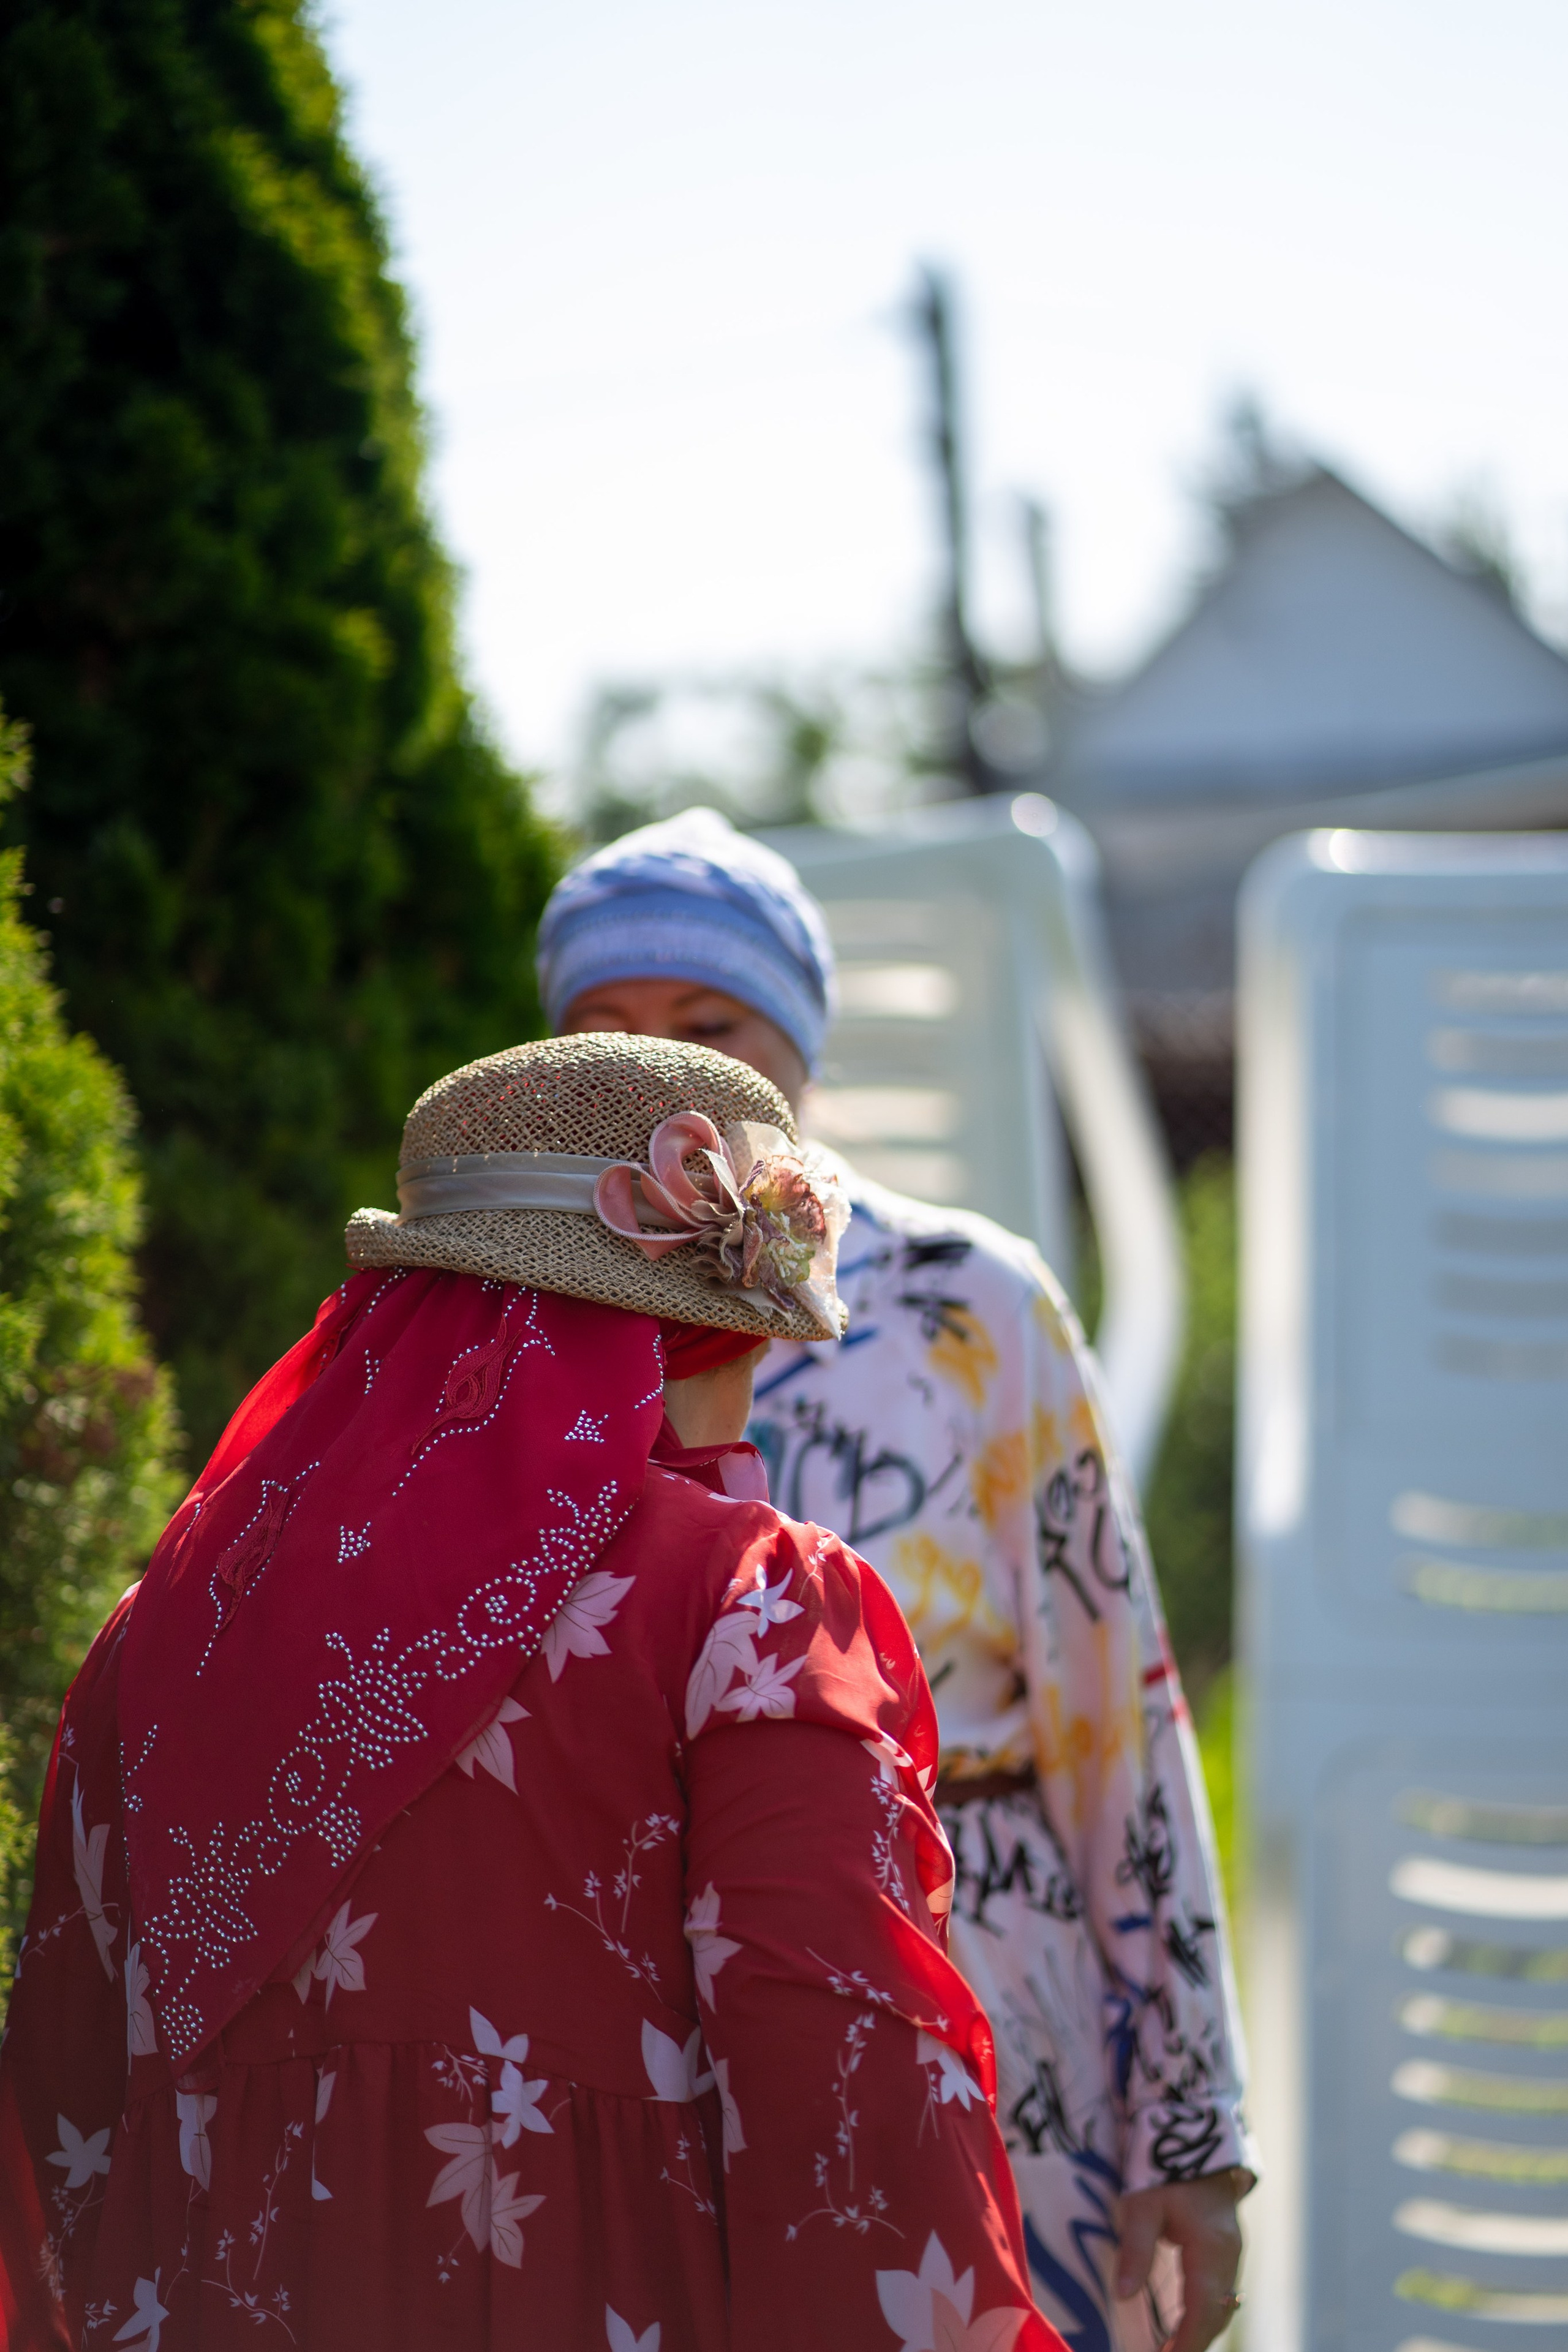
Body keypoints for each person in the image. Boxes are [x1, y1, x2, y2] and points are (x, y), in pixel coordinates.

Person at [0, 1031, 1063, 2352]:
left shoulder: (154, 1635)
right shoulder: (745, 1608)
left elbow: (66, 2113)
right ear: (681, 1339)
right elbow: (848, 2107)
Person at [540, 809, 1257, 2352]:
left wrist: (1190, 2133)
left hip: (996, 2018)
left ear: (795, 1045)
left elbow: (1113, 1713)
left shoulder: (967, 1305)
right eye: (603, 1035)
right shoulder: (515, 1343)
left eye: (709, 1027)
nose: (662, 1076)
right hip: (649, 2054)